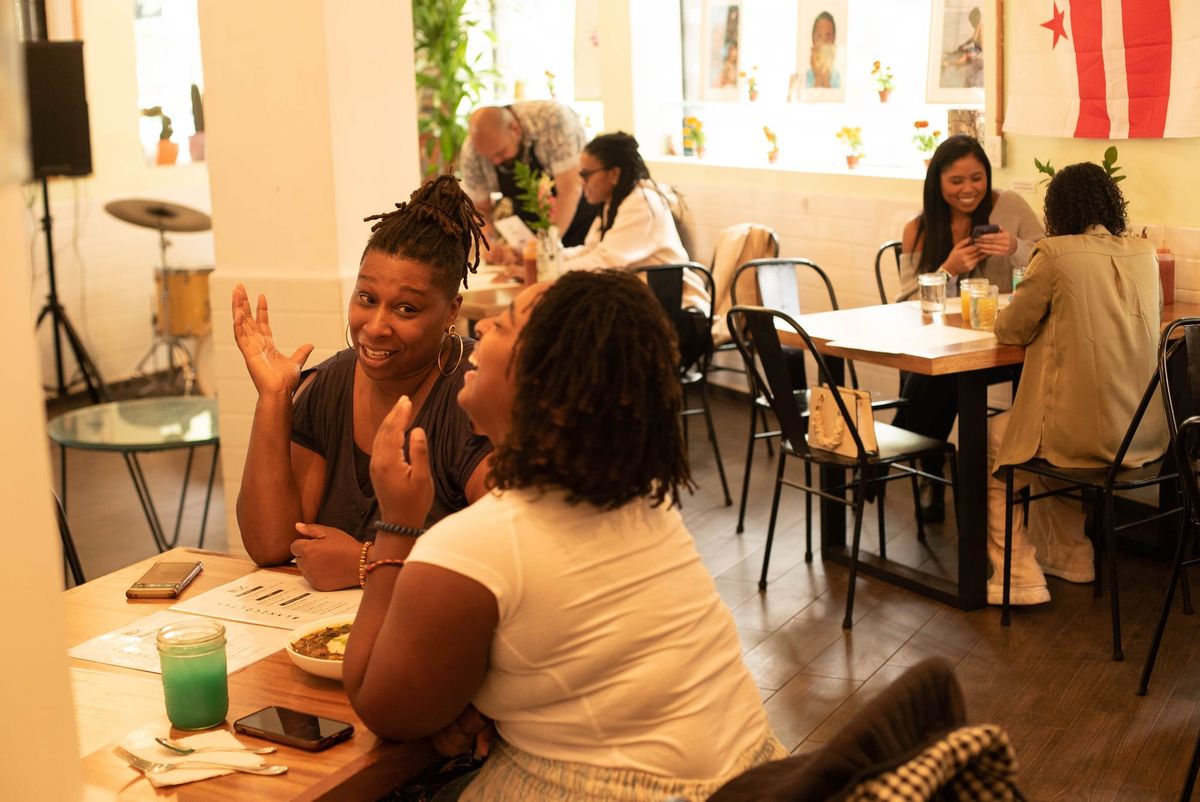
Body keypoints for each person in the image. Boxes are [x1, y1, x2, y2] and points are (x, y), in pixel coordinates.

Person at [345, 271, 785, 801]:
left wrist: (397, 523)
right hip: (751, 780)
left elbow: (383, 708)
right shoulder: (643, 498)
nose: (481, 325)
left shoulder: (477, 543)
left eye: (502, 325)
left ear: (543, 378)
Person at [231, 175, 493, 591]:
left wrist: (369, 562)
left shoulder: (479, 392)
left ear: (451, 312)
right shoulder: (331, 382)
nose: (375, 327)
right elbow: (270, 546)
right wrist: (275, 398)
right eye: (366, 299)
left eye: (406, 309)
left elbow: (507, 559)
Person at [986, 162, 1165, 604]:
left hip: (1085, 438)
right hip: (1147, 436)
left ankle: (1018, 573)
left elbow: (1011, 330)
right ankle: (1071, 554)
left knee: (997, 436)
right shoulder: (1145, 253)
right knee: (1044, 424)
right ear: (1112, 203)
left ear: (1056, 210)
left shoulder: (1054, 254)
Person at [890, 135, 1043, 520]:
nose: (968, 189)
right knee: (939, 373)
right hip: (945, 347)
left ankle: (902, 456)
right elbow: (905, 304)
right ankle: (930, 464)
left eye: (976, 178)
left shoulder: (1009, 206)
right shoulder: (919, 229)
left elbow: (1049, 262)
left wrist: (1014, 248)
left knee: (933, 380)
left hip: (1007, 344)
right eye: (956, 181)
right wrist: (948, 269)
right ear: (937, 182)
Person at [459, 102, 599, 260]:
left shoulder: (553, 121)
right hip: (531, 227)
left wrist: (545, 249)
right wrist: (488, 242)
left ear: (515, 129)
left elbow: (569, 190)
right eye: (489, 158)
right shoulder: (472, 152)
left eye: (501, 153)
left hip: (578, 217)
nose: (496, 162)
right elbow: (480, 209)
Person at [559, 131, 692, 276]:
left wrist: (554, 270)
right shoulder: (612, 202)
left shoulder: (642, 203)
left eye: (586, 175)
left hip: (667, 293)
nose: (582, 182)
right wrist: (552, 259)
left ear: (614, 174)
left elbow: (605, 262)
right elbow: (592, 250)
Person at [805, 12, 841, 89]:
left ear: (834, 39)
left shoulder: (838, 77)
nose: (824, 41)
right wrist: (818, 77)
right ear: (813, 41)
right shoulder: (805, 77)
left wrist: (824, 79)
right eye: (819, 36)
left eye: (828, 35)